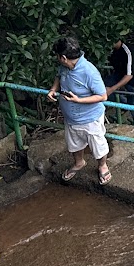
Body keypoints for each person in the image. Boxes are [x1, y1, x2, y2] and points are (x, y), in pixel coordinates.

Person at [48, 36, 111, 185]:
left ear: (63, 57)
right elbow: (58, 76)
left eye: (57, 56)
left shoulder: (89, 71)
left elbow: (103, 96)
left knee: (98, 145)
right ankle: (79, 162)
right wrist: (53, 89)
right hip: (71, 117)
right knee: (74, 143)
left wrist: (79, 100)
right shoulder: (64, 66)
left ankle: (103, 166)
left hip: (90, 118)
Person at [106, 34, 134, 129]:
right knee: (102, 86)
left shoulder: (128, 50)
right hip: (120, 74)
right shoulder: (111, 51)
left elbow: (129, 76)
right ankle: (124, 103)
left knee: (133, 103)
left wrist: (112, 89)